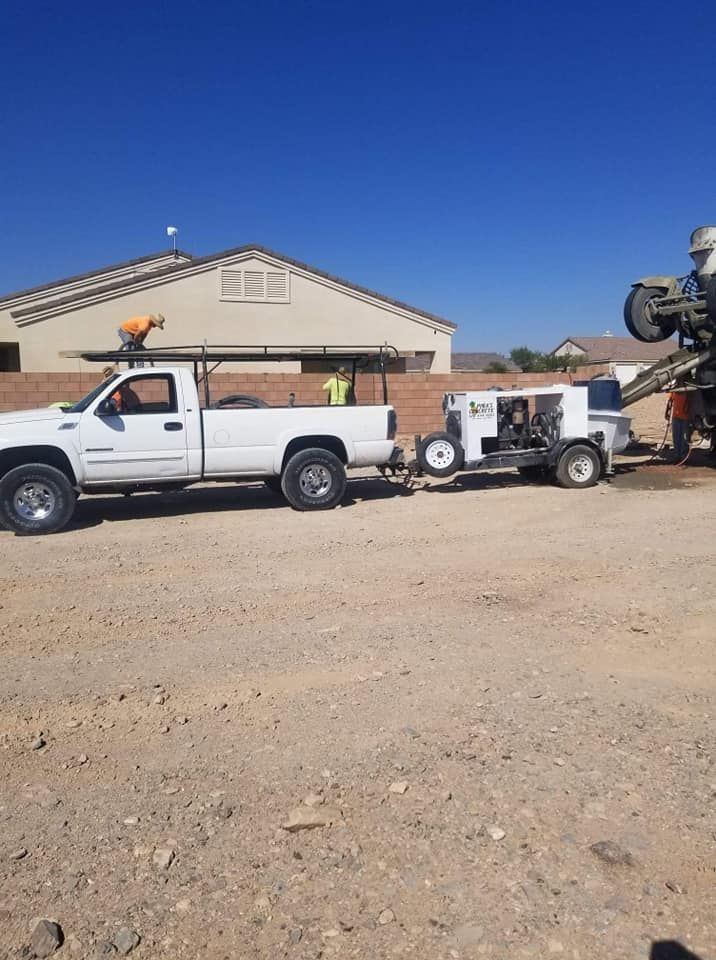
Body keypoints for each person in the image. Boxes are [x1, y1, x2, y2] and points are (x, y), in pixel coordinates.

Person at [665, 388, 690, 461]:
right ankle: (677, 456)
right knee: (676, 437)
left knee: (684, 438)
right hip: (675, 417)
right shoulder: (674, 390)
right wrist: (667, 412)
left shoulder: (688, 390)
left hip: (686, 417)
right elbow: (669, 402)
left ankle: (683, 457)